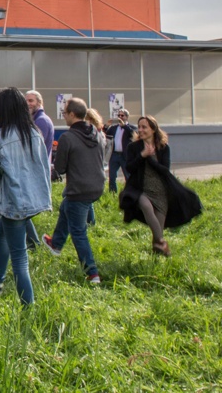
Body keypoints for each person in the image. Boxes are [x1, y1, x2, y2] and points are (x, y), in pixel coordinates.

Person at [0, 87, 52, 306]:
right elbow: (44, 166)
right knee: (1, 231)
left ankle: (27, 306)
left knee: (20, 258)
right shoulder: (34, 133)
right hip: (34, 199)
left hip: (13, 202)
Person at [41, 98, 106, 284]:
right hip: (96, 185)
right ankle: (56, 243)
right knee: (67, 206)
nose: (63, 115)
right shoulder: (96, 132)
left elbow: (60, 168)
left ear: (71, 114)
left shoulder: (68, 138)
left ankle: (92, 273)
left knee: (78, 232)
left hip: (79, 188)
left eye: (64, 112)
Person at [119, 115, 203, 256]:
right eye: (139, 127)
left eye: (144, 127)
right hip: (140, 189)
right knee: (145, 206)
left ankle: (157, 258)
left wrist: (150, 158)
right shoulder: (133, 147)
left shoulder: (163, 147)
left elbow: (165, 170)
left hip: (161, 192)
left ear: (153, 129)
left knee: (157, 229)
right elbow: (129, 168)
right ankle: (163, 244)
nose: (140, 130)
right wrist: (142, 155)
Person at [24, 90, 53, 248]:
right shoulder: (37, 119)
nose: (28, 103)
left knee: (23, 209)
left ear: (39, 103)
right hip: (35, 169)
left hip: (35, 170)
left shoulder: (40, 121)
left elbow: (34, 148)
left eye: (31, 101)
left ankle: (33, 242)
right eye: (26, 100)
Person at [105, 108, 136, 194]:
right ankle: (112, 194)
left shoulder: (130, 128)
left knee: (128, 176)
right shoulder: (114, 128)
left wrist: (124, 126)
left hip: (125, 156)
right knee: (112, 176)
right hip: (114, 155)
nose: (120, 117)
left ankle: (129, 193)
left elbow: (133, 134)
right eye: (118, 115)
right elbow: (105, 134)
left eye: (122, 115)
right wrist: (106, 126)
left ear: (127, 117)